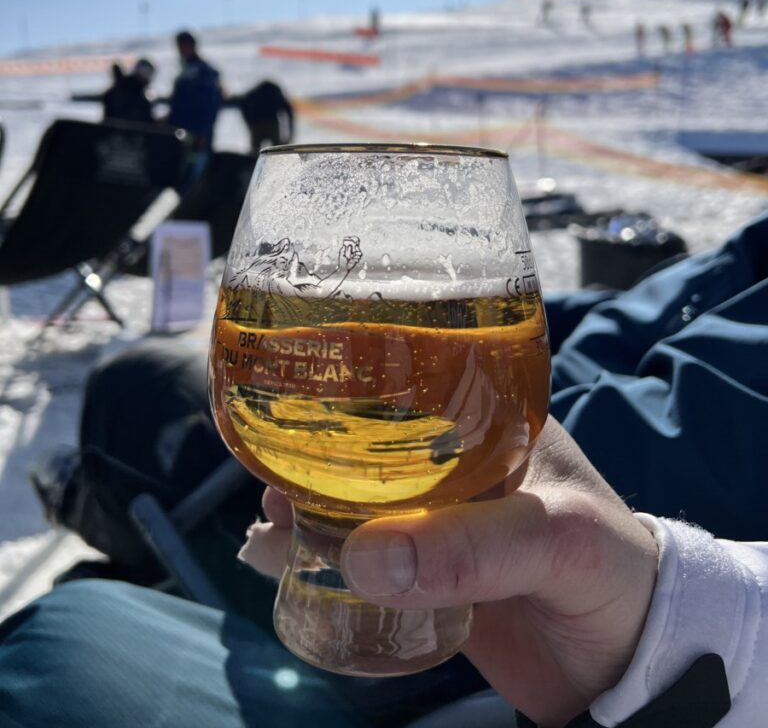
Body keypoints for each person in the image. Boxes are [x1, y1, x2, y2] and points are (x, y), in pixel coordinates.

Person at [8, 211, 768, 725]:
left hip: (512, 537)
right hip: (462, 417)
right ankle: (109, 502)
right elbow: (632, 306)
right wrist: (443, 314)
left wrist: (684, 627)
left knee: (68, 639)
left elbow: (696, 445)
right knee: (138, 381)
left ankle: (104, 505)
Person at [165, 30, 222, 184]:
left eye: (183, 45)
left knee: (194, 177)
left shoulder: (203, 71)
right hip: (180, 134)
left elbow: (210, 103)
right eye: (178, 46)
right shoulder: (185, 70)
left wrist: (203, 132)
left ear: (191, 45)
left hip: (198, 136)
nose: (180, 50)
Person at [70, 57, 156, 124]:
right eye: (144, 72)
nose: (146, 77)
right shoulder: (127, 90)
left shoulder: (140, 93)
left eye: (148, 73)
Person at [224, 80, 295, 154]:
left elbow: (289, 112)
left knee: (269, 151)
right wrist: (290, 135)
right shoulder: (272, 94)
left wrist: (250, 124)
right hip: (263, 124)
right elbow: (289, 113)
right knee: (272, 151)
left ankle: (256, 161)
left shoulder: (271, 94)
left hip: (263, 123)